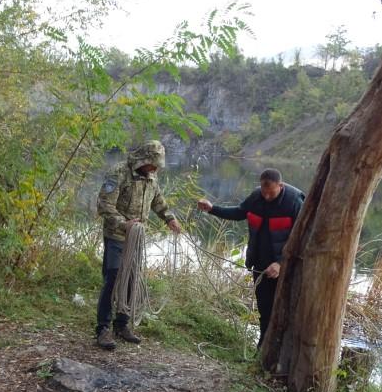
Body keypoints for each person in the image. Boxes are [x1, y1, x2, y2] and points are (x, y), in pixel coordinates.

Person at [197, 168, 304, 348]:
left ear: (281, 185)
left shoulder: (294, 202)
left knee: (285, 309)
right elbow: (240, 212)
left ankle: (282, 350)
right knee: (264, 307)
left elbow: (302, 237)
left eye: (271, 192)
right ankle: (263, 347)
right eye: (264, 192)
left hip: (286, 268)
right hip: (260, 264)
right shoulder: (257, 197)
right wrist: (212, 209)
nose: (267, 196)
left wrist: (280, 263)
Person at [96, 140, 182, 349]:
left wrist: (169, 218)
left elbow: (157, 200)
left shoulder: (151, 177)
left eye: (157, 165)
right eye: (153, 164)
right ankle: (103, 329)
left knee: (132, 279)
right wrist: (123, 224)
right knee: (113, 278)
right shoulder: (119, 173)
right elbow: (104, 204)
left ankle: (122, 324)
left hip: (136, 239)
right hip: (117, 236)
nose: (155, 169)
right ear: (143, 160)